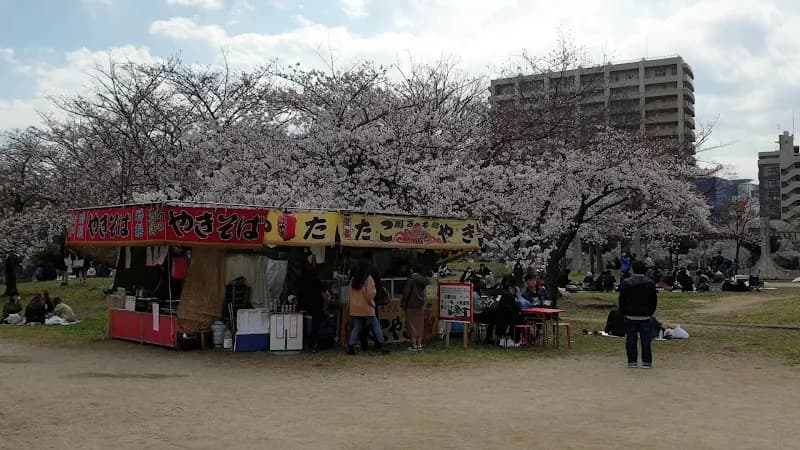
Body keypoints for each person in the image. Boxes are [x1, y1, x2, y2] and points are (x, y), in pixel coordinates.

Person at [618, 260, 658, 369]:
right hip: (645, 315)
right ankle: (646, 362)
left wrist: (624, 312)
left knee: (631, 339)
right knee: (646, 340)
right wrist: (650, 312)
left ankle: (632, 361)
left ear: (633, 269)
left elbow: (622, 300)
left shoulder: (626, 283)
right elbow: (653, 300)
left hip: (630, 315)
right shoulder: (650, 283)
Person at [347, 262, 387, 355]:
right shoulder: (368, 279)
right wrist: (372, 303)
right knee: (375, 325)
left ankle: (351, 347)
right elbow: (370, 294)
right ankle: (381, 345)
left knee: (357, 327)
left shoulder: (353, 279)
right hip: (366, 307)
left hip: (355, 308)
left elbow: (349, 294)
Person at [298, 258, 327, 353]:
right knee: (315, 326)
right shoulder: (316, 279)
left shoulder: (301, 279)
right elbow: (324, 294)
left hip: (304, 305)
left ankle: (303, 343)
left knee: (302, 325)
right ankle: (313, 345)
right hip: (316, 306)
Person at [401, 268, 430, 351]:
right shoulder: (423, 279)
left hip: (410, 305)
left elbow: (406, 293)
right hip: (420, 305)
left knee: (412, 325)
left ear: (412, 270)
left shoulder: (411, 279)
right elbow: (424, 293)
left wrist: (403, 305)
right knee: (419, 324)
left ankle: (414, 345)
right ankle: (419, 344)